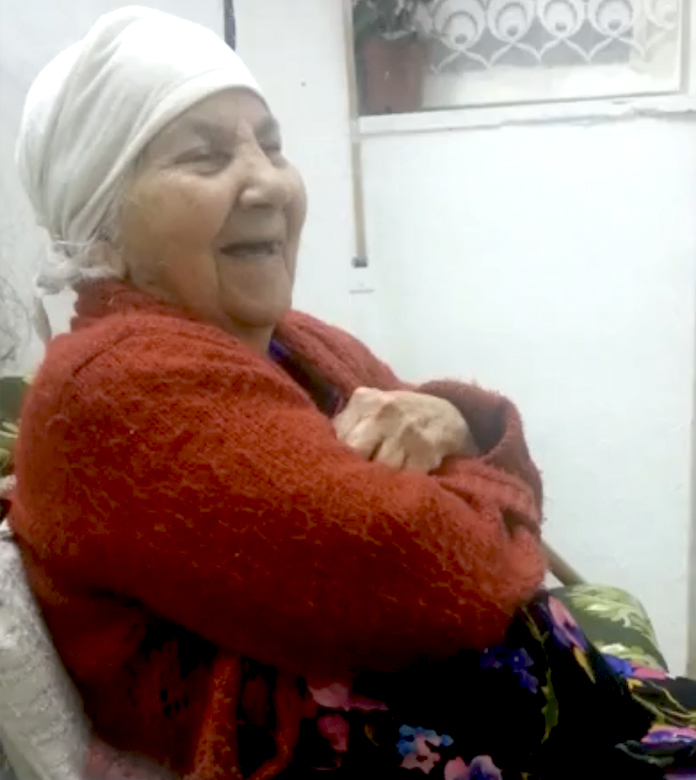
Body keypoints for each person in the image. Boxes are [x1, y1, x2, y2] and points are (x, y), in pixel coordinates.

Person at [8, 8, 695, 780]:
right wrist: (484, 490)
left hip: (560, 723)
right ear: (100, 222)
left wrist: (456, 426)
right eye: (204, 157)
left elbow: (485, 484)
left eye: (271, 146)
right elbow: (440, 582)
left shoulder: (295, 341)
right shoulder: (113, 387)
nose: (268, 182)